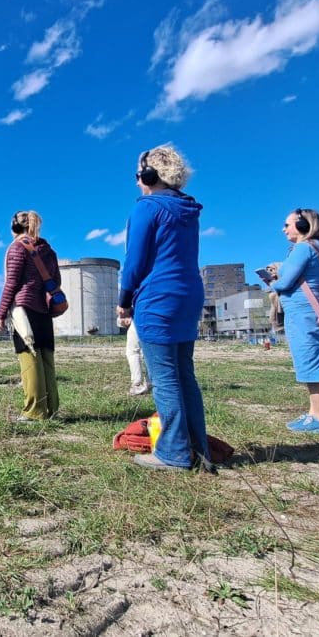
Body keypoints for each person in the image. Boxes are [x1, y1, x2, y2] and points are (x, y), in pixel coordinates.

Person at [119, 145, 211, 470]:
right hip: (189, 295)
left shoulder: (147, 207)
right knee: (185, 374)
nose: (136, 182)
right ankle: (199, 450)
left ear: (148, 175)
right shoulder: (187, 210)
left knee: (165, 378)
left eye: (137, 175)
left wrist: (124, 299)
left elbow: (134, 262)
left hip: (158, 297)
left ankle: (172, 453)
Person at [268, 208, 319, 434]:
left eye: (288, 224)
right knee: (311, 359)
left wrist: (272, 281)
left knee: (310, 362)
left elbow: (285, 283)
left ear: (304, 225)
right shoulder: (318, 248)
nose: (284, 229)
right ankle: (314, 413)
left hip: (302, 313)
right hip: (310, 312)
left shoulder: (303, 248)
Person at [0, 210, 60, 422]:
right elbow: (56, 282)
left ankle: (34, 411)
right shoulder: (49, 251)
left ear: (14, 227)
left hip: (24, 308)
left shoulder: (17, 247)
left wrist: (1, 311)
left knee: (29, 358)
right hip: (43, 309)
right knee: (46, 360)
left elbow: (12, 283)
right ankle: (52, 408)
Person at [119, 315, 151, 396]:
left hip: (139, 315)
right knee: (147, 351)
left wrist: (124, 316)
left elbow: (124, 307)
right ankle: (150, 382)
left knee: (133, 352)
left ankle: (137, 384)